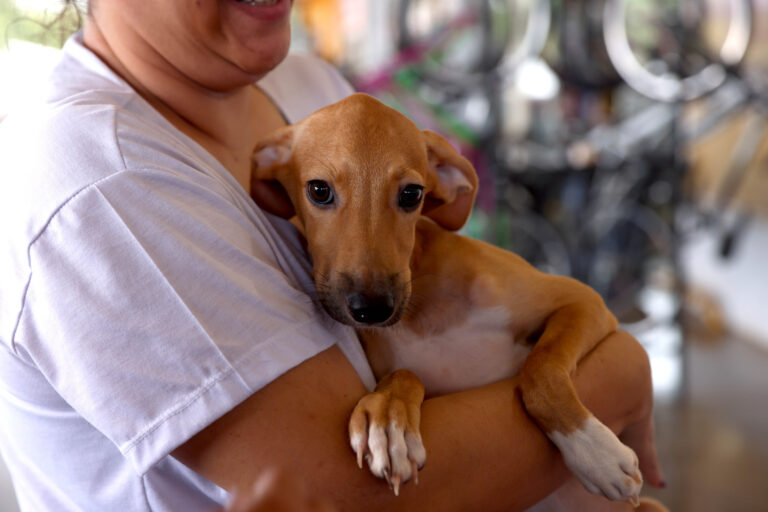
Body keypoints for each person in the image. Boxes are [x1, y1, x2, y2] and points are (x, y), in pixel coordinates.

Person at [0, 0, 663, 510]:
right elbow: (334, 497)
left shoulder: (310, 89)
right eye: (320, 195)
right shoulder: (101, 182)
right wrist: (620, 379)